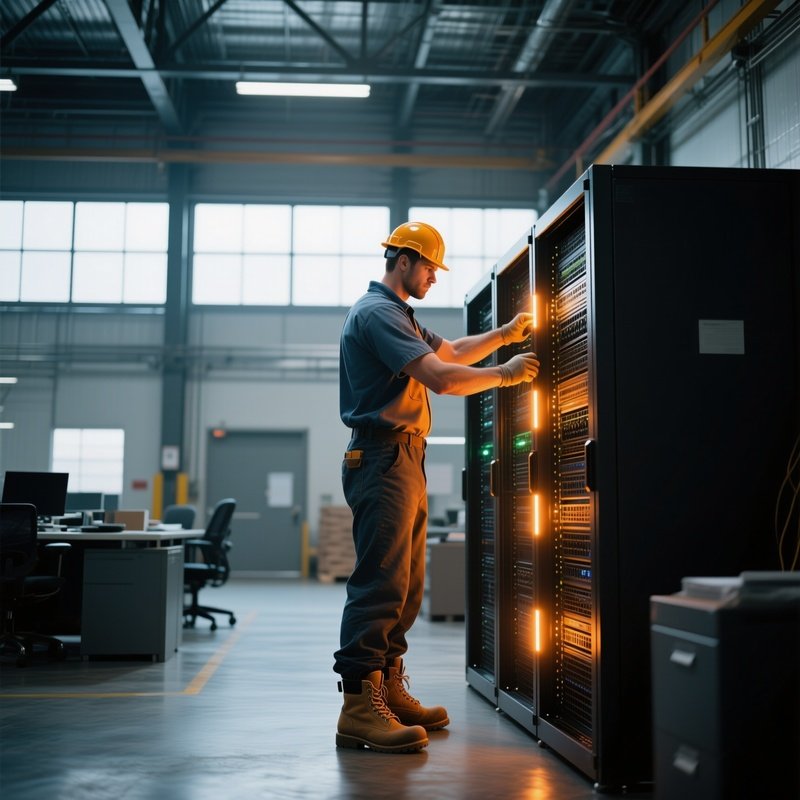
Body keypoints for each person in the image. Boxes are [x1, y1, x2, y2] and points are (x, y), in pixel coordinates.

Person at [334, 221, 540, 753]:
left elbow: (450, 352)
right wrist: (506, 374)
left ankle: (387, 686)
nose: (433, 277)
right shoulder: (377, 313)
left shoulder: (399, 314)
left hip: (403, 456)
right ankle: (358, 705)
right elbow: (442, 379)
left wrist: (503, 335)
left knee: (405, 585)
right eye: (429, 267)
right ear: (402, 261)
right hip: (382, 455)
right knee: (380, 582)